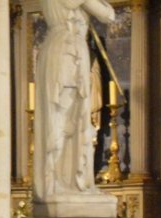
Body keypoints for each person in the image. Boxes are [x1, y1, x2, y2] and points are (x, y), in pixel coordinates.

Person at [34, 0, 116, 202]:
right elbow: (105, 13)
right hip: (66, 52)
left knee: (78, 121)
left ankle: (75, 181)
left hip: (75, 51)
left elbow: (110, 14)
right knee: (61, 119)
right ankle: (53, 182)